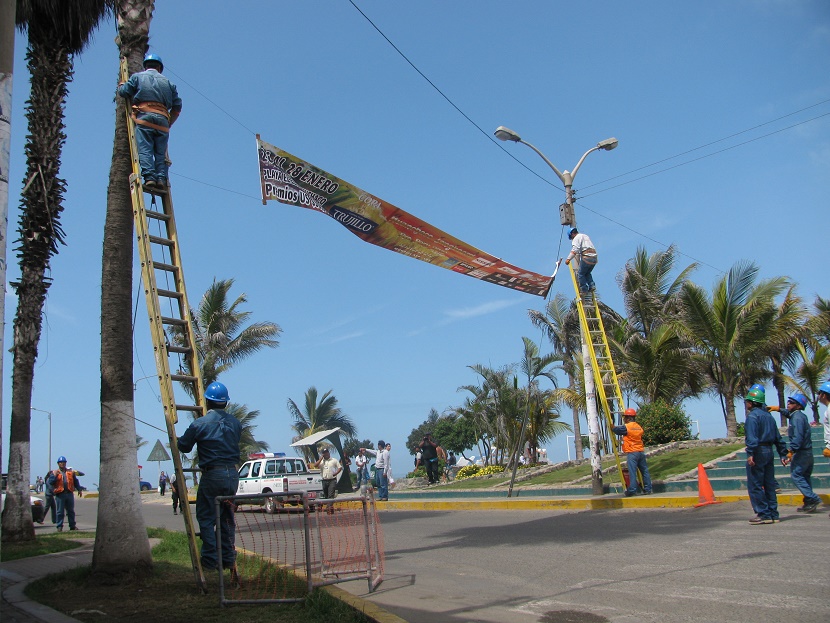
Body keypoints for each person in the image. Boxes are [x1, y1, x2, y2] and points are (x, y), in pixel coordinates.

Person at [177, 381, 242, 571]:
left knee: (206, 518)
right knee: (227, 517)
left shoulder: (199, 424)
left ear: (207, 401)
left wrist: (180, 439)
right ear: (226, 403)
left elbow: (184, 447)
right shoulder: (235, 423)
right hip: (232, 475)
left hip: (213, 474)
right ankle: (228, 558)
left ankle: (210, 559)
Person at [116, 52, 182, 191]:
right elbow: (177, 107)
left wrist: (121, 85)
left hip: (144, 118)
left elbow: (124, 92)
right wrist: (169, 123)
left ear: (145, 66)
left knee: (145, 149)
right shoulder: (169, 83)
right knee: (160, 153)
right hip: (163, 121)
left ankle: (150, 178)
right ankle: (161, 179)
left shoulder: (137, 77)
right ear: (159, 68)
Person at [769, 393, 821, 513]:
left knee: (796, 475)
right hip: (807, 452)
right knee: (805, 477)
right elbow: (788, 413)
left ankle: (813, 498)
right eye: (789, 401)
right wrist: (779, 409)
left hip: (801, 452)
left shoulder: (797, 418)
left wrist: (791, 450)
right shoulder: (798, 415)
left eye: (791, 403)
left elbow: (798, 436)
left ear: (798, 406)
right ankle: (809, 502)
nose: (788, 404)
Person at [743, 386, 788, 524]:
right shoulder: (769, 417)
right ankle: (773, 513)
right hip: (769, 450)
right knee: (769, 484)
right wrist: (783, 454)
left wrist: (750, 453)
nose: (746, 403)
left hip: (758, 451)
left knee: (755, 484)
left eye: (747, 401)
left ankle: (763, 513)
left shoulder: (752, 417)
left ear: (752, 402)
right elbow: (778, 438)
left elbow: (752, 438)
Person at [612, 408, 652, 496]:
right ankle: (648, 489)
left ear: (629, 418)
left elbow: (618, 431)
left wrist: (613, 427)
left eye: (625, 418)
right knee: (644, 471)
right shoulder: (638, 427)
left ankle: (632, 490)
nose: (624, 420)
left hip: (632, 452)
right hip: (640, 451)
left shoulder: (627, 427)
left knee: (632, 472)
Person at [47, 456, 78, 532]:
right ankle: (59, 526)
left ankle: (72, 526)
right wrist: (54, 476)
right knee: (60, 512)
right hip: (60, 494)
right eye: (61, 462)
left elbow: (75, 481)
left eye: (64, 462)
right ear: (58, 464)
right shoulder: (55, 473)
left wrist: (79, 489)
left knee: (71, 511)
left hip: (69, 493)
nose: (62, 464)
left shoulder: (70, 472)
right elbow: (50, 482)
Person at [564, 227, 598, 293]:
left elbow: (575, 249)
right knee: (587, 273)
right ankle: (592, 285)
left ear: (572, 234)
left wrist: (568, 259)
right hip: (594, 257)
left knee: (580, 274)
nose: (572, 239)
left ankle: (584, 290)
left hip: (587, 256)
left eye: (571, 237)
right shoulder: (585, 236)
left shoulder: (576, 238)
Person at [314, 447, 342, 512]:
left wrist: (336, 473)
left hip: (332, 480)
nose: (326, 454)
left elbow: (340, 467)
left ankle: (328, 509)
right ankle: (330, 509)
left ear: (329, 453)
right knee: (326, 496)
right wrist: (321, 458)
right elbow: (315, 465)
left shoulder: (334, 460)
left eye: (326, 453)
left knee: (331, 495)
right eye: (324, 453)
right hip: (324, 480)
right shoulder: (321, 462)